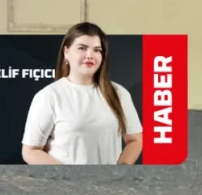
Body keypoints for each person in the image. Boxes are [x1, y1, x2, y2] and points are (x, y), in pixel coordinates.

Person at [21, 21, 143, 165]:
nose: (90, 55)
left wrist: (121, 169)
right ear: (66, 52)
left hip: (109, 179)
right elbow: (30, 151)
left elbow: (135, 140)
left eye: (97, 50)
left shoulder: (119, 93)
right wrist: (66, 174)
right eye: (82, 48)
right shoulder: (48, 96)